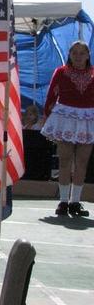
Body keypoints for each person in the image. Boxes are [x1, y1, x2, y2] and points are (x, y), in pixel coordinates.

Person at [41, 40, 94, 217]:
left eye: (82, 53)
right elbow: (51, 95)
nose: (78, 57)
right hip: (65, 118)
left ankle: (75, 202)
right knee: (64, 161)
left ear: (88, 55)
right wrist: (48, 118)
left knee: (82, 163)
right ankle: (63, 201)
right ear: (69, 55)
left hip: (88, 119)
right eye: (74, 53)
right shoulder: (61, 72)